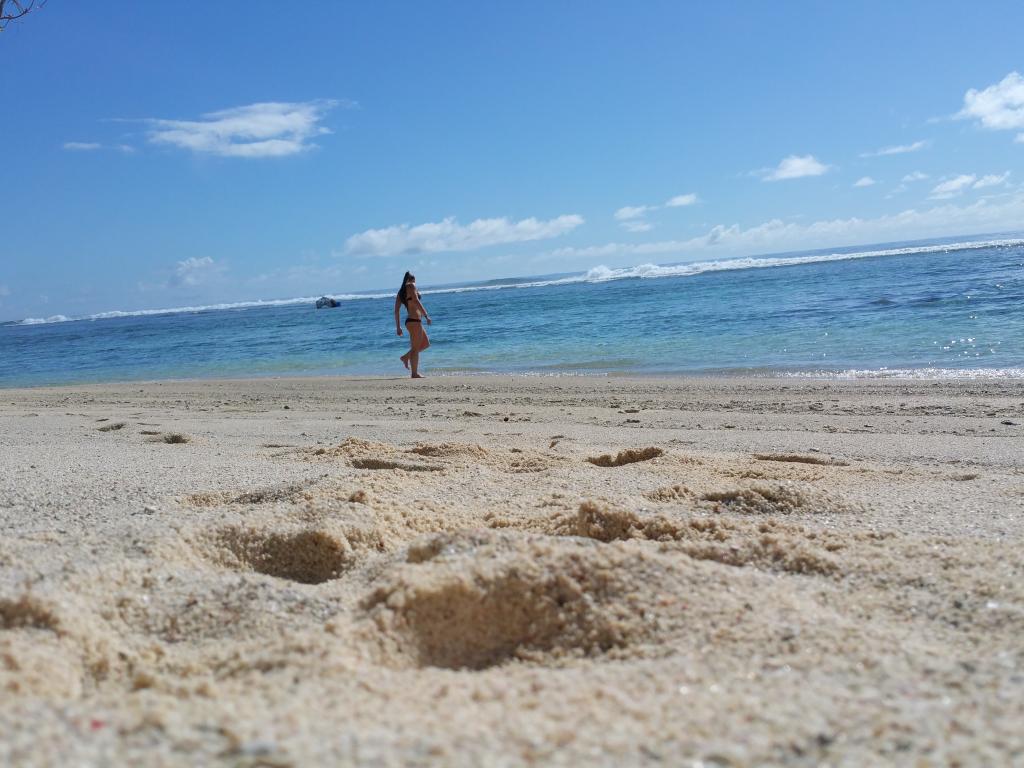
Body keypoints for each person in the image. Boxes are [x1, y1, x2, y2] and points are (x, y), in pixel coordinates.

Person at [394, 271, 432, 378]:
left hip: (411, 321)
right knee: (415, 349)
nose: (415, 283)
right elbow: (416, 301)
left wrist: (398, 327)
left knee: (425, 344)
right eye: (414, 281)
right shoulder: (411, 286)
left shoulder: (401, 292)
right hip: (414, 321)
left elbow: (396, 311)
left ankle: (406, 357)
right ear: (411, 280)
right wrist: (426, 315)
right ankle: (414, 373)